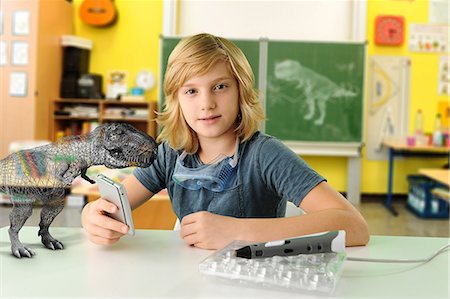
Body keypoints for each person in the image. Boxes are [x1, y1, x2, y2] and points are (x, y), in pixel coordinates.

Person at [81, 33, 369, 250]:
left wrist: (238, 231)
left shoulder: (265, 155)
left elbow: (355, 227)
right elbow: (111, 208)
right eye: (191, 91)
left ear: (240, 92)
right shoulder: (169, 154)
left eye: (220, 86)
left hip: (256, 280)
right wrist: (91, 216)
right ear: (176, 100)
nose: (206, 103)